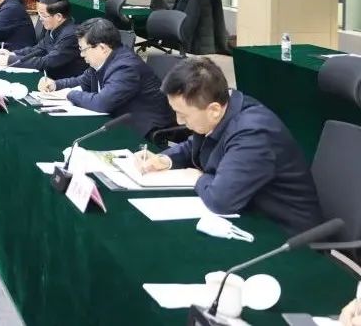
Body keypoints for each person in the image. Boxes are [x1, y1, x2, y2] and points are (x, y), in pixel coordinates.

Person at [136, 57, 322, 235]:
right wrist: (164, 159)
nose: (179, 121)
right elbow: (194, 145)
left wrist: (197, 178)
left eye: (183, 115)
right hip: (249, 214)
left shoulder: (253, 132)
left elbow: (221, 200)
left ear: (214, 110)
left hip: (285, 233)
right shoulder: (220, 108)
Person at [39, 18, 175, 139]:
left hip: (142, 132)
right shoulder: (104, 59)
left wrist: (70, 94)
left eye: (83, 49)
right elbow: (82, 81)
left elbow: (102, 103)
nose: (81, 54)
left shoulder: (125, 67)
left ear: (102, 47)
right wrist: (55, 84)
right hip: (117, 120)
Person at [0, 0, 86, 79]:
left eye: (43, 15)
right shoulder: (55, 27)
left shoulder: (70, 35)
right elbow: (39, 49)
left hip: (64, 82)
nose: (40, 19)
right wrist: (13, 54)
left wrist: (10, 60)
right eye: (39, 14)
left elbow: (48, 62)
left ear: (58, 17)